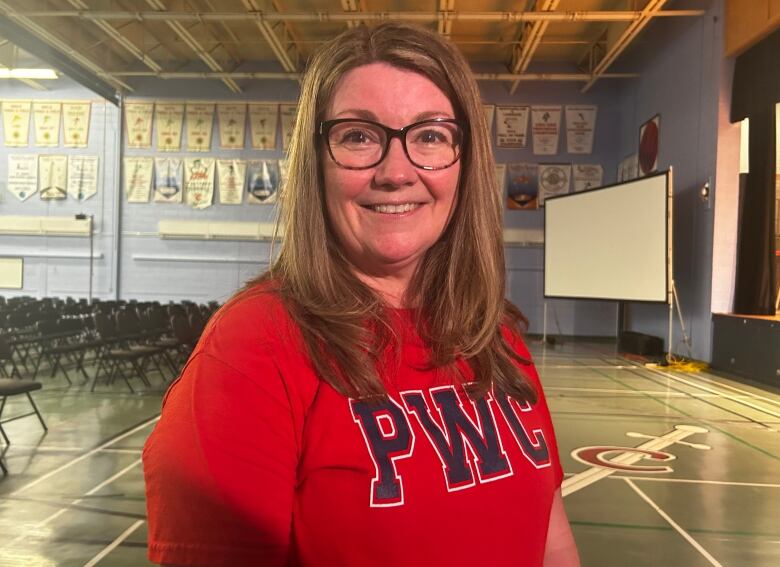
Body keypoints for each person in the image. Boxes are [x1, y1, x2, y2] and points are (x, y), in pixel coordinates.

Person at [143, 21, 579, 567]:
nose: (396, 171)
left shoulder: (495, 335)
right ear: (315, 162)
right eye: (358, 136)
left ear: (465, 163)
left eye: (430, 135)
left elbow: (551, 540)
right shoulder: (252, 348)